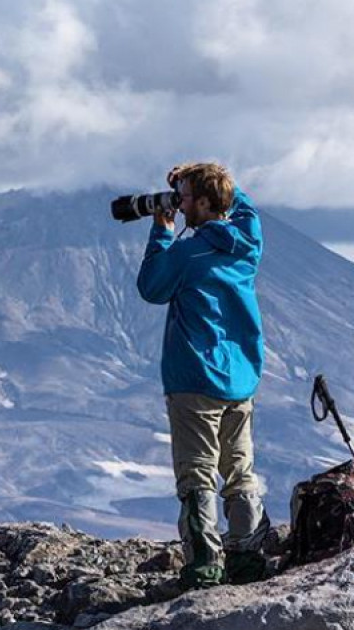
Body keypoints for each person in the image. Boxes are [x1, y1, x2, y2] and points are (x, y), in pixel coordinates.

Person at [135, 162, 270, 589]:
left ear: (207, 203)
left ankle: (205, 566)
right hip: (242, 378)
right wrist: (205, 176)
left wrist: (161, 228)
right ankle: (247, 559)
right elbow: (243, 206)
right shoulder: (248, 242)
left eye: (188, 197)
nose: (181, 203)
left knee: (197, 475)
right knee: (240, 470)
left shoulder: (189, 253)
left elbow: (152, 287)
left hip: (195, 378)